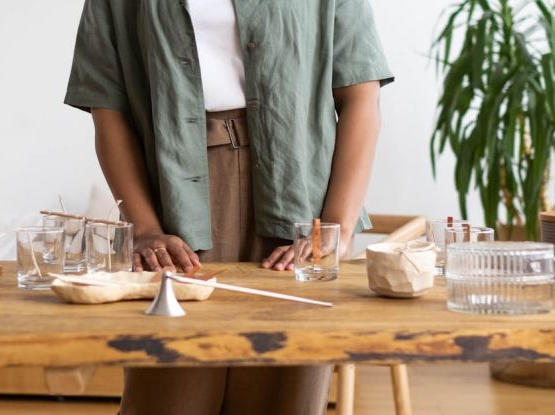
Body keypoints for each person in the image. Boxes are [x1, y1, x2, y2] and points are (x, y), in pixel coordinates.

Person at [65, 1, 393, 414]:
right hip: (174, 200)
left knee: (285, 395)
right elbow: (107, 108)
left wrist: (335, 230)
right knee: (167, 395)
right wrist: (145, 227)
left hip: (298, 194)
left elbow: (362, 95)